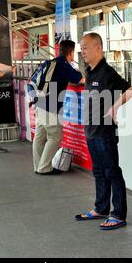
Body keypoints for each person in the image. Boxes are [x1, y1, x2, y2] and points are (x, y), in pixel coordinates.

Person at [75, 33, 132, 230]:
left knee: (111, 171)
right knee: (99, 172)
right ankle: (101, 208)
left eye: (85, 47)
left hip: (105, 132)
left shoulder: (107, 72)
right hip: (91, 131)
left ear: (98, 48)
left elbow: (130, 90)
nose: (82, 51)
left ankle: (118, 214)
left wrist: (116, 106)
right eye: (81, 47)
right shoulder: (90, 72)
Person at [32, 40, 84, 175]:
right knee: (55, 138)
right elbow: (81, 80)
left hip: (40, 104)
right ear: (71, 52)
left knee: (40, 137)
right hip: (52, 107)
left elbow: (31, 81)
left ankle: (38, 166)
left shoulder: (49, 63)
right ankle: (44, 167)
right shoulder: (65, 66)